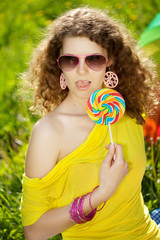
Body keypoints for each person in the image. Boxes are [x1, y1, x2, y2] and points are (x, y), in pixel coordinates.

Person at [20, 6, 160, 240]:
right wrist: (101, 193)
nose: (82, 71)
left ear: (110, 60)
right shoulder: (49, 132)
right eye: (70, 60)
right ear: (59, 65)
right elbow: (34, 232)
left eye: (94, 59)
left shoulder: (128, 108)